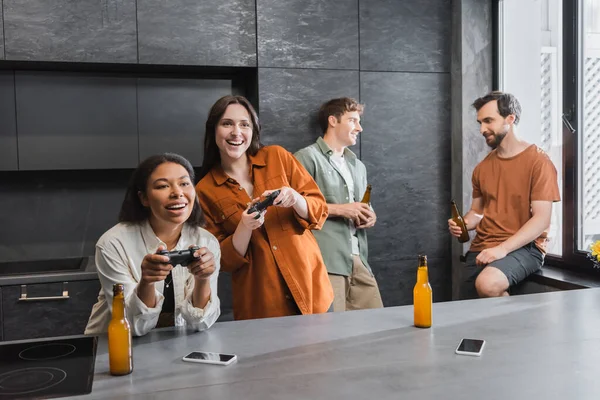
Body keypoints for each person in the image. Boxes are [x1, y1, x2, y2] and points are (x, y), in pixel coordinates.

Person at [195, 95, 334, 320]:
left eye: (244, 124)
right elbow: (223, 261)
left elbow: (319, 210)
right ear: (213, 129)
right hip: (262, 305)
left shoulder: (278, 156)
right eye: (227, 123)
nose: (236, 132)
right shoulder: (204, 190)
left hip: (312, 290)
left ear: (254, 130)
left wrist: (295, 198)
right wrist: (244, 226)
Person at [85, 153, 220, 336]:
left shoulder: (206, 242)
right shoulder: (113, 243)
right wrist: (146, 282)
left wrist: (203, 278)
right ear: (144, 198)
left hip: (172, 347)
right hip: (113, 348)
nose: (177, 193)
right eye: (163, 186)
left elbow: (200, 322)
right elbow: (133, 326)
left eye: (184, 183)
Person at [449, 91, 560, 299]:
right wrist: (463, 223)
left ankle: (515, 331)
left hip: (525, 248)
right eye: (480, 122)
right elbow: (477, 212)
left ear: (510, 118)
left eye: (489, 121)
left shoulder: (539, 162)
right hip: (482, 248)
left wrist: (502, 249)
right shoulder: (482, 168)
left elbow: (542, 219)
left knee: (488, 284)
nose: (482, 129)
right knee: (462, 314)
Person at [295, 97, 383, 312]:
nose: (359, 128)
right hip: (325, 262)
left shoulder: (358, 166)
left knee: (375, 327)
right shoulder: (306, 158)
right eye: (353, 120)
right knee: (331, 334)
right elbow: (292, 207)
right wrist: (341, 210)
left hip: (359, 259)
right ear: (333, 121)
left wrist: (370, 215)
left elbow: (363, 206)